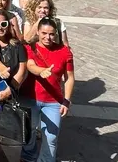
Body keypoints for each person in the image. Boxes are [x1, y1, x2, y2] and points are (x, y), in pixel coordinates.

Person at [21, 18, 75, 162]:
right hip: (30, 97)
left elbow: (69, 78)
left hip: (53, 101)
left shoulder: (64, 51)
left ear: (56, 34)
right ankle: (28, 157)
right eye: (44, 33)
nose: (47, 37)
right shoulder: (30, 48)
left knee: (51, 136)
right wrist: (41, 71)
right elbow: (30, 65)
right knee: (29, 132)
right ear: (38, 32)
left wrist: (67, 100)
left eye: (51, 34)